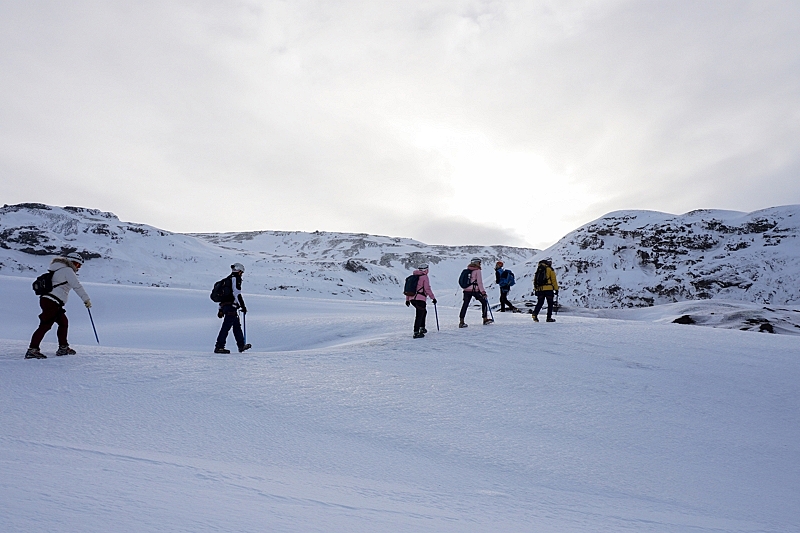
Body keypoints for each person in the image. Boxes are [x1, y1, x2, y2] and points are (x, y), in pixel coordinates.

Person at [26, 252, 92, 359]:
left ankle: (63, 348)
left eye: (79, 265)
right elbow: (77, 286)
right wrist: (86, 300)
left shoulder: (56, 269)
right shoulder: (67, 270)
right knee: (45, 325)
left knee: (63, 323)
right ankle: (32, 350)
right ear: (71, 262)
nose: (78, 267)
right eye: (77, 264)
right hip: (52, 302)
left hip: (49, 301)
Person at [215, 263, 252, 354]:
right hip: (231, 307)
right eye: (241, 272)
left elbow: (223, 297)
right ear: (239, 271)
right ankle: (219, 347)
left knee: (236, 326)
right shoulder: (235, 279)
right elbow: (237, 293)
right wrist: (243, 306)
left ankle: (241, 345)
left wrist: (220, 309)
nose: (241, 274)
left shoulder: (227, 280)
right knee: (226, 327)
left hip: (225, 307)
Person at [405, 263, 437, 338]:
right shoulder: (424, 277)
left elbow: (409, 289)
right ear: (426, 270)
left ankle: (422, 328)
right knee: (419, 315)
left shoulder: (413, 276)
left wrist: (407, 300)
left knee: (423, 312)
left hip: (412, 299)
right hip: (420, 299)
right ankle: (416, 332)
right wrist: (433, 298)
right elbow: (427, 289)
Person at [459, 257, 492, 327]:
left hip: (466, 290)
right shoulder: (478, 271)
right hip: (475, 290)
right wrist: (483, 292)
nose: (480, 264)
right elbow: (480, 283)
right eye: (479, 263)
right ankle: (485, 319)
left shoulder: (468, 270)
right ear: (477, 263)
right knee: (484, 302)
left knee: (465, 305)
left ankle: (461, 321)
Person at [532, 257, 559, 323]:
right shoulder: (550, 269)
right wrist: (556, 289)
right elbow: (553, 280)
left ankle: (535, 314)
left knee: (540, 302)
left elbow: (535, 281)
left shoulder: (538, 270)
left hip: (540, 289)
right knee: (550, 303)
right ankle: (549, 318)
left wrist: (536, 289)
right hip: (549, 289)